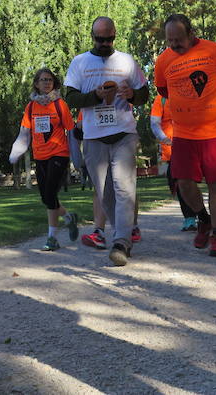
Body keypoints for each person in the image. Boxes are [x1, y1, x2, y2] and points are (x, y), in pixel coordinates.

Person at [154, 13, 216, 257]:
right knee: (183, 181)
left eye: (178, 39)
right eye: (169, 40)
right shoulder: (163, 60)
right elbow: (162, 87)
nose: (174, 44)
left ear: (191, 33)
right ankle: (203, 219)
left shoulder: (214, 50)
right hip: (183, 133)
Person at [65, 17, 149, 266]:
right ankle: (121, 234)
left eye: (108, 38)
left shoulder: (127, 61)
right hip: (93, 137)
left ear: (114, 35)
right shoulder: (80, 62)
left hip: (124, 133)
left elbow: (144, 93)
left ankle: (121, 241)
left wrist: (133, 94)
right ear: (92, 36)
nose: (104, 43)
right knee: (105, 194)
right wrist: (96, 96)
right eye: (99, 39)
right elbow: (70, 98)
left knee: (124, 187)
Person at [8, 68, 79, 251]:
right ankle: (68, 217)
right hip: (39, 156)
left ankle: (52, 238)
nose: (46, 82)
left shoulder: (60, 105)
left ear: (54, 83)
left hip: (59, 154)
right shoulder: (31, 107)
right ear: (36, 84)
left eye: (49, 80)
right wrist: (16, 151)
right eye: (42, 80)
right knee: (46, 197)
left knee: (49, 194)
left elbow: (71, 132)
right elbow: (24, 133)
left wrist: (77, 157)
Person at [151, 94, 197, 231]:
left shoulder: (190, 92)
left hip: (193, 143)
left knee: (192, 181)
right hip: (173, 149)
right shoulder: (161, 98)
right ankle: (190, 218)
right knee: (179, 182)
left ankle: (202, 216)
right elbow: (154, 122)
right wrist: (164, 139)